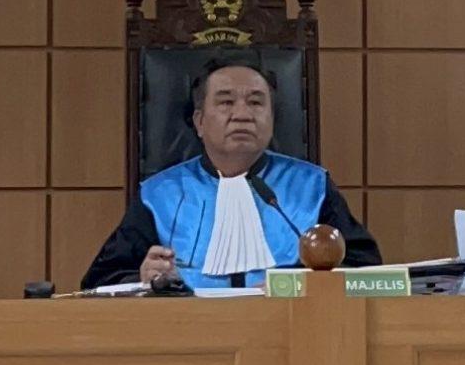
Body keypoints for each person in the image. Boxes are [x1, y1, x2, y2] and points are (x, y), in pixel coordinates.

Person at [81, 51, 380, 290]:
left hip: (291, 329)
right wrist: (143, 277)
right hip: (189, 333)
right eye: (226, 102)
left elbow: (367, 273)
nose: (242, 114)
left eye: (256, 102)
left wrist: (301, 285)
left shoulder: (311, 187)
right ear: (199, 122)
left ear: (272, 119)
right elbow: (100, 281)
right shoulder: (160, 195)